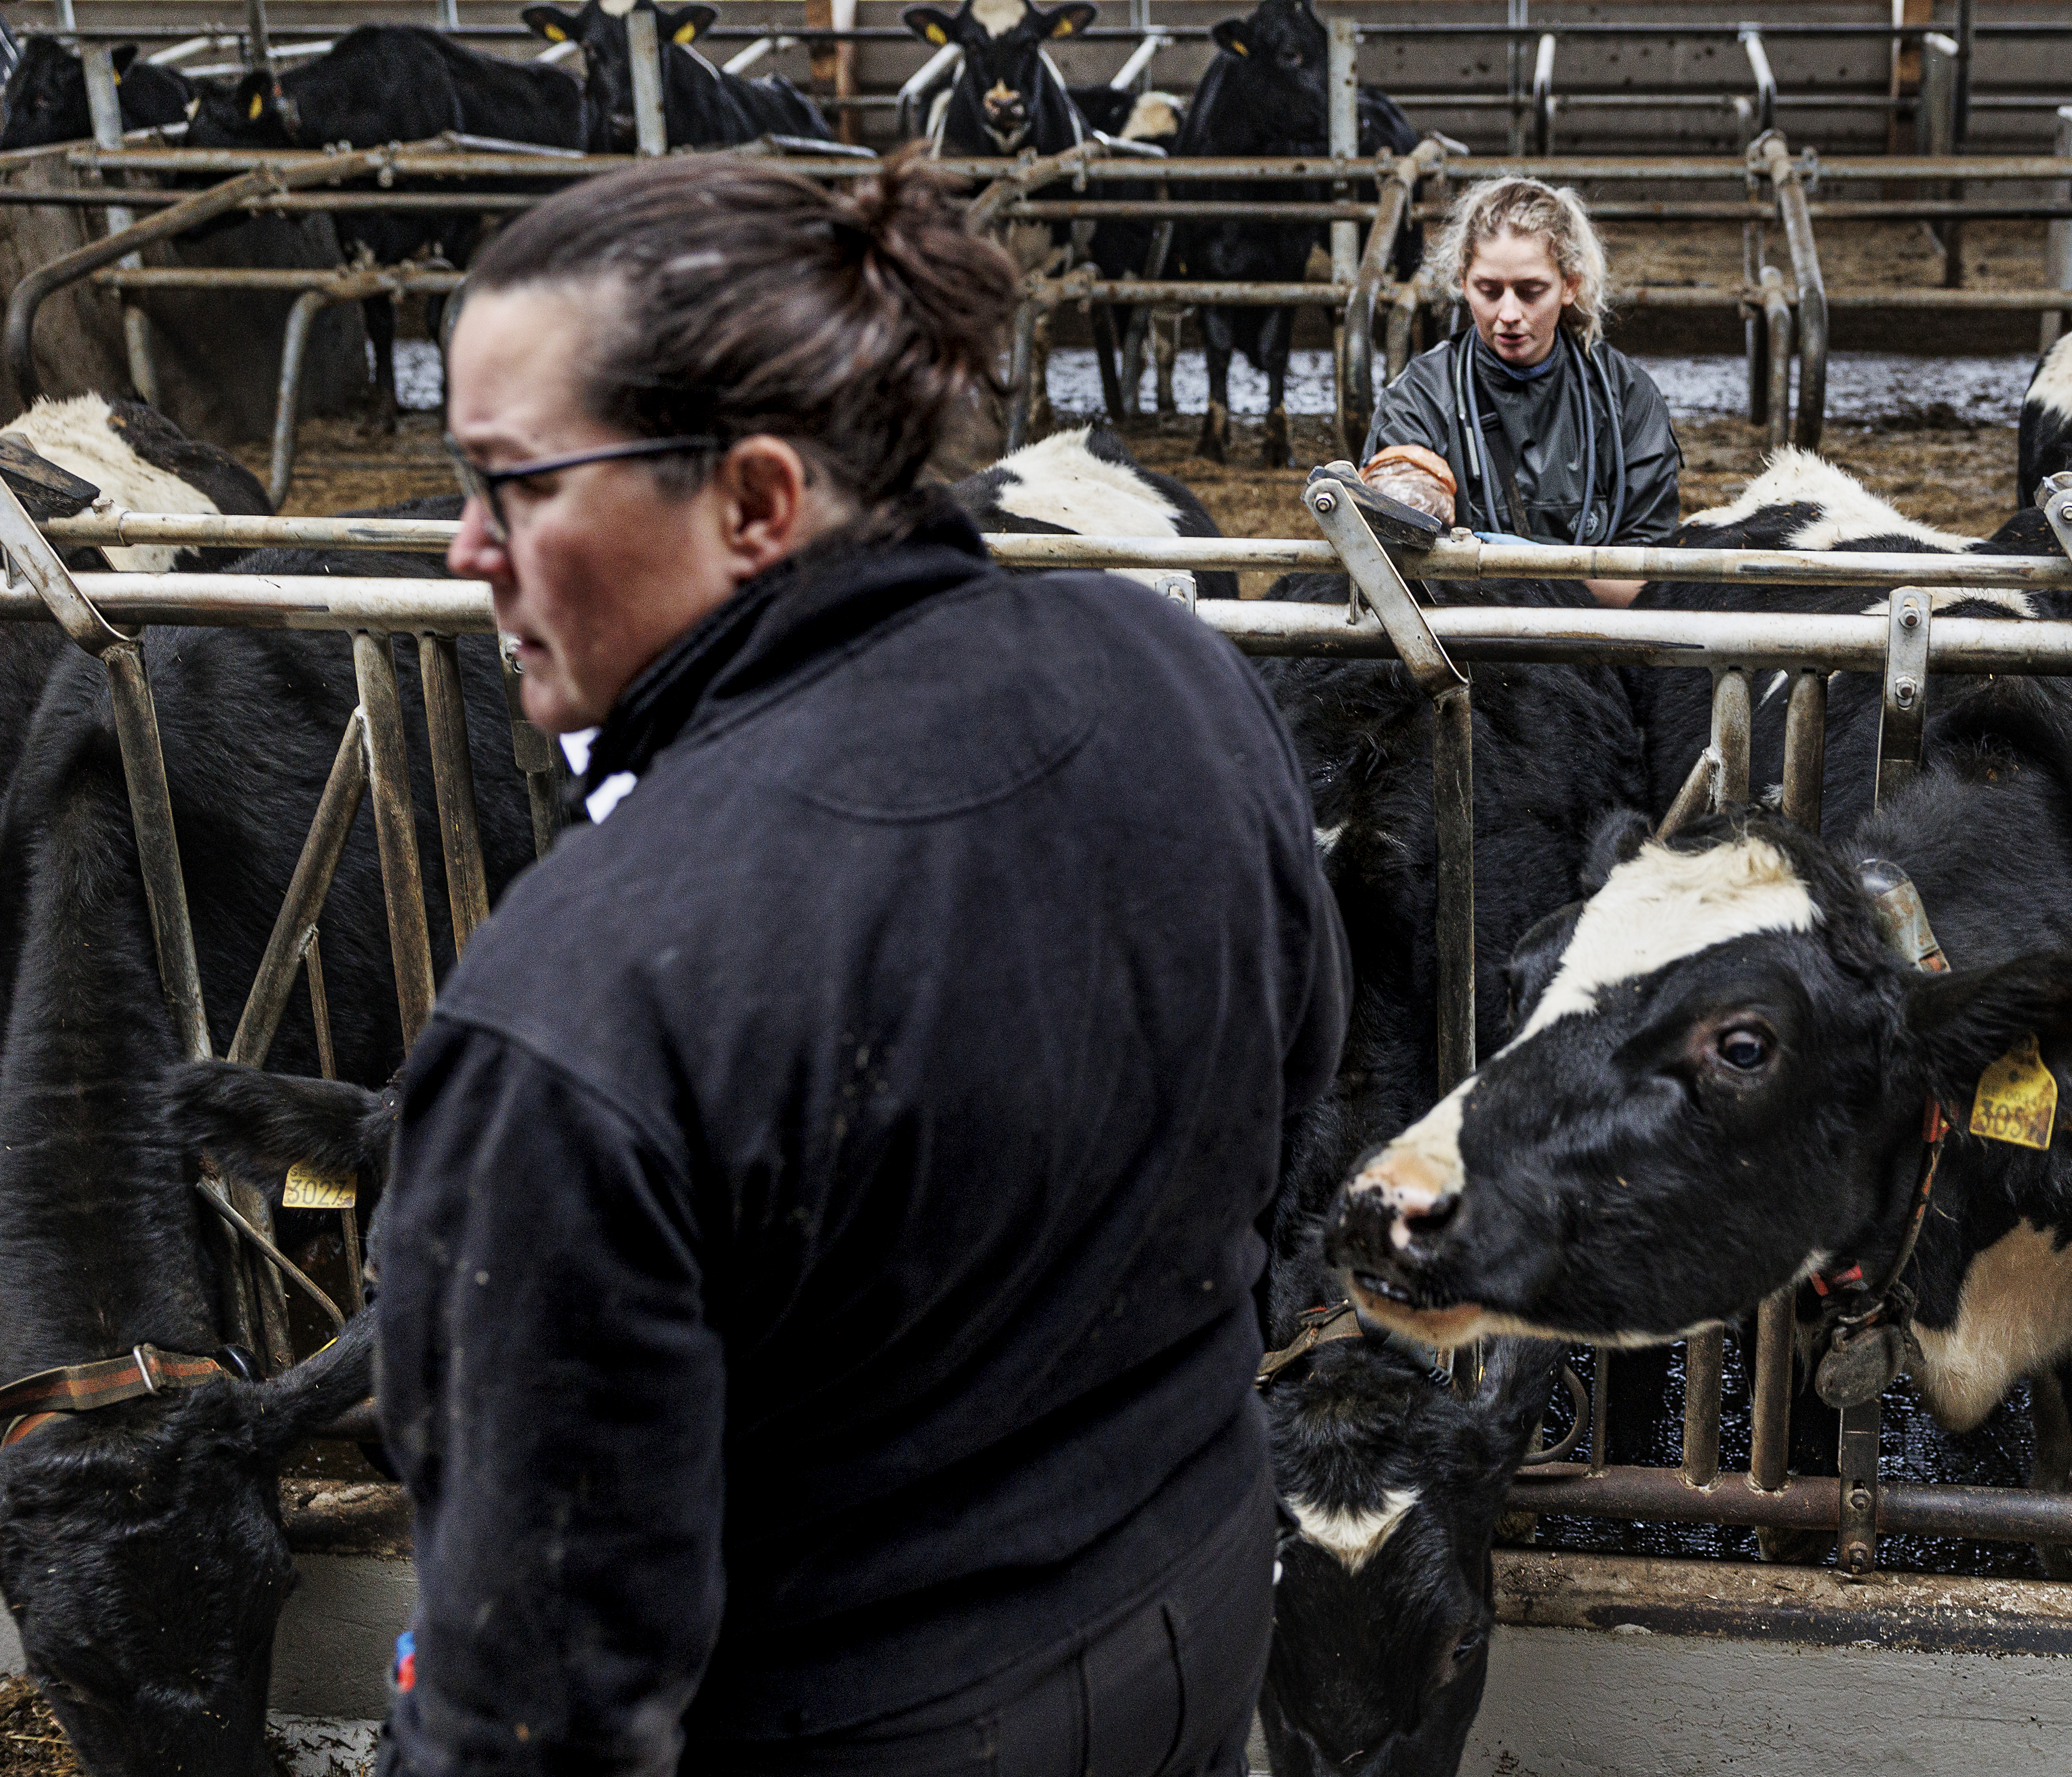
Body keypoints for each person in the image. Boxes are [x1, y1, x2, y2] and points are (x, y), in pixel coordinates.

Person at [378, 151, 1348, 1777]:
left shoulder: (577, 1006)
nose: (464, 549)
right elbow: (1285, 1114)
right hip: (1186, 1613)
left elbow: (526, 1714)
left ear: (756, 499)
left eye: (518, 484)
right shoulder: (1168, 664)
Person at [1361, 176, 1682, 606]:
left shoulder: (1628, 397)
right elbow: (1393, 557)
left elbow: (1648, 583)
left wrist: (1510, 564)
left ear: (1570, 285)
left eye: (1532, 292)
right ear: (1463, 281)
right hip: (1464, 642)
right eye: (1489, 291)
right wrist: (1404, 497)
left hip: (1598, 642)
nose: (1509, 314)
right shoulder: (1421, 397)